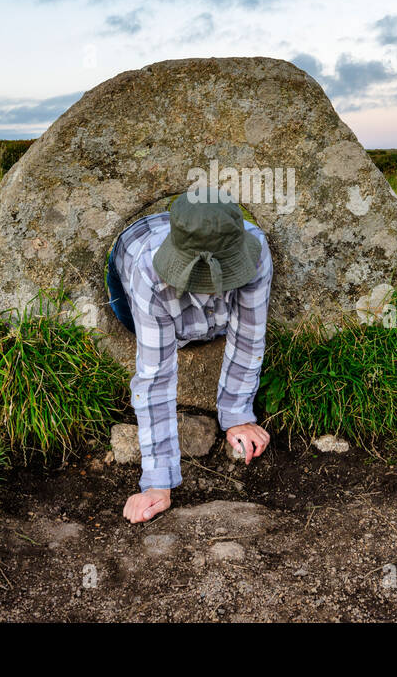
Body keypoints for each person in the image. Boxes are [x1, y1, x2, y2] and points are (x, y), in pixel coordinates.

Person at [105, 190, 273, 523]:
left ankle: (201, 328)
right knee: (155, 333)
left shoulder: (254, 251)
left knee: (216, 322)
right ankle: (189, 328)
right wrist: (157, 483)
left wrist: (237, 414)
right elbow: (155, 377)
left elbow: (249, 335)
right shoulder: (147, 273)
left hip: (201, 282)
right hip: (134, 276)